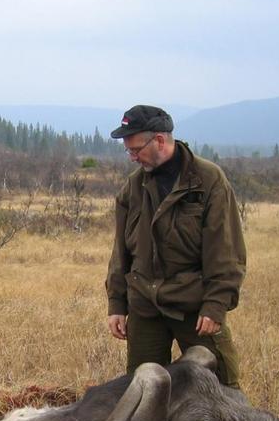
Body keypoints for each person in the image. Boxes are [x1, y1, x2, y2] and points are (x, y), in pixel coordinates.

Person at [105, 105, 246, 388]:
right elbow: (120, 251)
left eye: (136, 149)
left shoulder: (208, 181)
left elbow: (226, 251)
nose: (132, 157)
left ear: (159, 140)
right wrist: (116, 303)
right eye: (128, 151)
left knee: (223, 389)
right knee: (141, 391)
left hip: (194, 306)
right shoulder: (133, 188)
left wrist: (215, 305)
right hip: (145, 304)